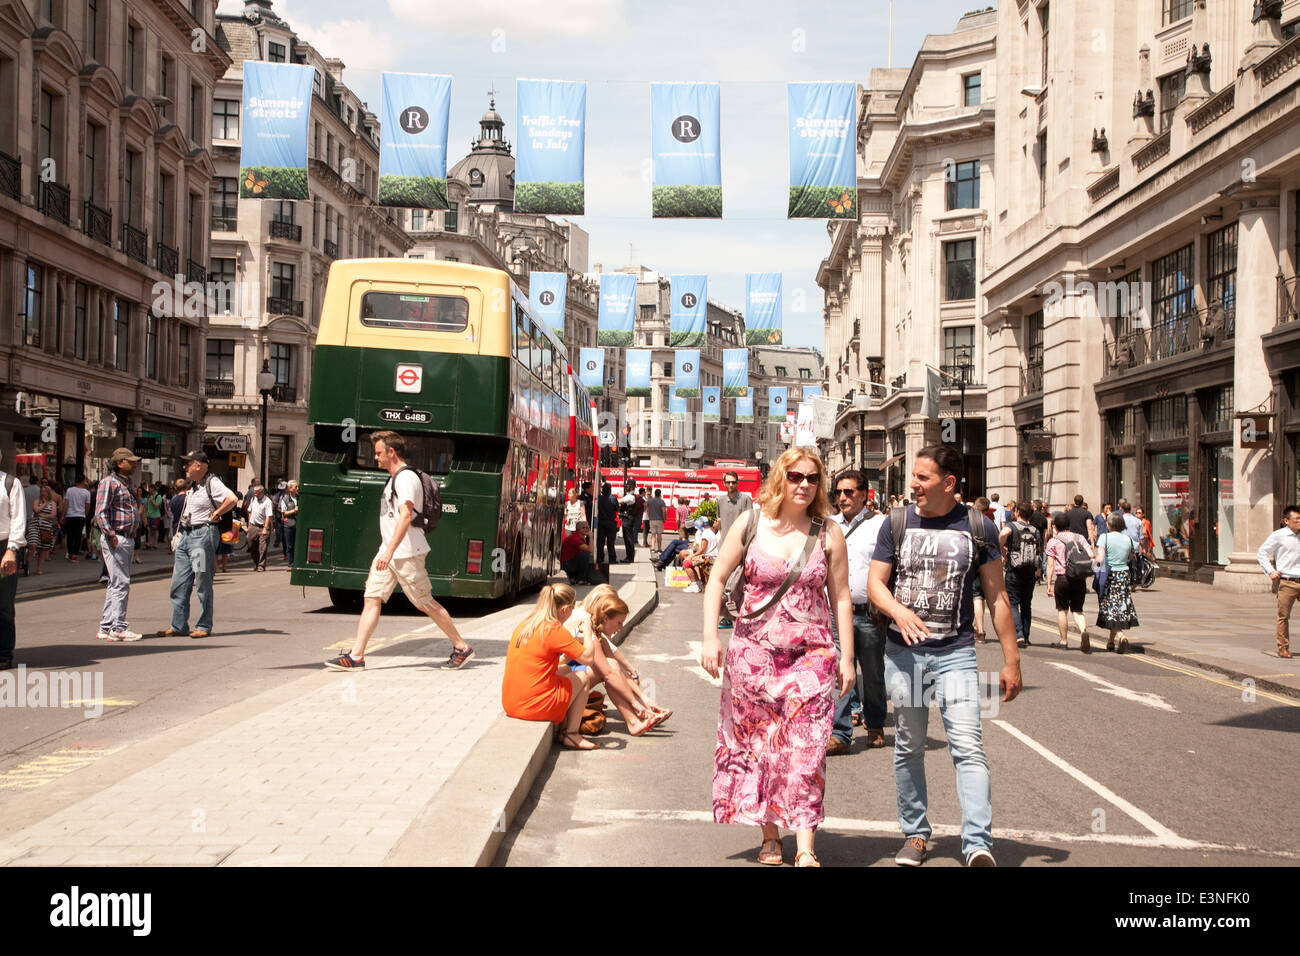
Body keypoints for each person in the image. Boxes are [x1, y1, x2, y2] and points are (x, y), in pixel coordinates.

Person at [868, 444, 1022, 868]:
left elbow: (997, 596)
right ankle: (915, 835)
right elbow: (875, 584)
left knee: (968, 746)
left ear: (949, 483)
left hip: (956, 653)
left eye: (922, 478)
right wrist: (899, 611)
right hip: (904, 653)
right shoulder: (896, 522)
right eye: (913, 477)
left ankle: (976, 844)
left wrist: (1012, 660)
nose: (912, 485)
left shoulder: (979, 527)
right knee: (910, 745)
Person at [701, 447, 855, 868]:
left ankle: (805, 843)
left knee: (807, 750)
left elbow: (841, 598)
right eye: (795, 476)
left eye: (812, 478)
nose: (804, 485)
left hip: (812, 658)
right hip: (753, 656)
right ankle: (771, 835)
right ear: (780, 479)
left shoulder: (828, 534)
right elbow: (715, 578)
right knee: (760, 748)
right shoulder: (752, 523)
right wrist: (710, 637)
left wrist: (847, 658)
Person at [324, 431, 473, 670]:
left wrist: (389, 551)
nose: (376, 458)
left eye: (379, 453)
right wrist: (386, 550)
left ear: (391, 452)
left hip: (406, 553)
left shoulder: (405, 479)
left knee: (424, 602)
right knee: (371, 598)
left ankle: (461, 647)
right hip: (390, 552)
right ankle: (356, 656)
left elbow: (405, 516)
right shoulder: (394, 478)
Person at [827, 468, 889, 756]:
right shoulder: (827, 525)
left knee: (873, 672)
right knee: (840, 668)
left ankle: (875, 724)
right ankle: (840, 732)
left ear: (864, 495)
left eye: (849, 492)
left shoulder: (881, 525)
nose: (842, 497)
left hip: (869, 612)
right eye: (838, 492)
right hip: (836, 613)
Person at [501, 583, 601, 750]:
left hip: (511, 703)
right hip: (535, 707)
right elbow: (589, 659)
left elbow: (549, 664)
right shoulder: (553, 628)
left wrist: (570, 652)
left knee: (568, 670)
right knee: (582, 675)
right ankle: (572, 734)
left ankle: (564, 728)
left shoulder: (526, 624)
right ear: (565, 609)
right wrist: (588, 631)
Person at [567, 585, 670, 734]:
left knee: (612, 667)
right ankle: (636, 718)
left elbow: (617, 668)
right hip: (560, 679)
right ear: (606, 618)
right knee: (608, 670)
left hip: (571, 675)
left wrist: (644, 699)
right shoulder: (587, 630)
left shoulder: (596, 629)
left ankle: (638, 718)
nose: (621, 628)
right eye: (619, 623)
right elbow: (608, 672)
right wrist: (636, 703)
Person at [156, 451, 237, 640]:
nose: (184, 467)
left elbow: (232, 499)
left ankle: (203, 625)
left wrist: (216, 513)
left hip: (202, 536)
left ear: (198, 466)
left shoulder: (212, 482)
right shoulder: (194, 485)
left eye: (188, 464)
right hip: (186, 535)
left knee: (202, 581)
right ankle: (178, 625)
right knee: (179, 582)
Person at [94, 448, 145, 642]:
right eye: (130, 461)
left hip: (126, 537)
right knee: (121, 582)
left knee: (115, 583)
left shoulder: (126, 482)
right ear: (119, 462)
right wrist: (110, 534)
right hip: (117, 537)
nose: (134, 464)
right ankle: (118, 627)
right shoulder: (109, 482)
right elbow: (101, 512)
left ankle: (106, 626)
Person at [1256, 505, 1300, 660]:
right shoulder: (1279, 535)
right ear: (1286, 521)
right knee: (1283, 616)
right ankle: (1283, 648)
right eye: (1297, 519)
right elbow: (1262, 552)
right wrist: (1270, 571)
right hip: (1287, 581)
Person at [1045, 511, 1090, 651]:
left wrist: (1049, 584)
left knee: (1062, 611)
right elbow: (1090, 554)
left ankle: (1064, 641)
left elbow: (1050, 565)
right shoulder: (1080, 537)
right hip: (1078, 578)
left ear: (1055, 526)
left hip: (1062, 578)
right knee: (1077, 610)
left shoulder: (1053, 541)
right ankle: (1083, 631)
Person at [1000, 501, 1042, 648]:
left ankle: (1018, 634)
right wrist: (1038, 571)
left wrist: (1002, 550)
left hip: (1014, 570)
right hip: (1030, 571)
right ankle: (1026, 635)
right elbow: (1038, 550)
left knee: (1012, 603)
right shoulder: (1035, 530)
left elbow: (1003, 534)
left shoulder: (1012, 526)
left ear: (1017, 513)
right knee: (1026, 604)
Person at [1095, 512, 1139, 653]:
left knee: (1111, 609)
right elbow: (1131, 556)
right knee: (1118, 608)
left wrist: (1091, 567)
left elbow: (1100, 559)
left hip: (1110, 576)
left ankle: (1121, 637)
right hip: (1124, 575)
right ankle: (1110, 641)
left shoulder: (1104, 537)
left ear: (1108, 524)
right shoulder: (1128, 539)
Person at [0, 450, 26, 669]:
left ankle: (4, 652)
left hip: (3, 547)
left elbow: (18, 519)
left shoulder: (10, 483)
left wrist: (12, 549)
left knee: (4, 603)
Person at [681, 518, 719, 593]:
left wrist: (691, 556)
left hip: (708, 558)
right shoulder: (710, 532)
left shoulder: (705, 534)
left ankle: (694, 584)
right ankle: (697, 583)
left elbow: (702, 549)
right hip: (712, 557)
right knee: (689, 561)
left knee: (686, 563)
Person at [28, 484, 57, 575]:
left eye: (45, 491)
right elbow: (36, 510)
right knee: (33, 544)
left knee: (43, 549)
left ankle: (39, 568)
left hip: (46, 527)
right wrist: (44, 504)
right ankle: (27, 565)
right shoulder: (37, 501)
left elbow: (52, 515)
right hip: (35, 525)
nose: (43, 493)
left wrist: (42, 515)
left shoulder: (53, 503)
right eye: (41, 491)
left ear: (48, 493)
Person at [246, 483, 274, 571]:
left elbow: (268, 516)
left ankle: (261, 565)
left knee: (262, 547)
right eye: (254, 492)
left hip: (263, 526)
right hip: (253, 526)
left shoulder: (267, 501)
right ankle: (256, 562)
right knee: (250, 544)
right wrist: (249, 525)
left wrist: (265, 528)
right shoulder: (253, 499)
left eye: (256, 492)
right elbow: (249, 511)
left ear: (262, 492)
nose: (255, 494)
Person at [63, 477, 91, 563]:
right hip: (80, 515)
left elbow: (66, 503)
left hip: (70, 515)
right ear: (83, 481)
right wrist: (85, 514)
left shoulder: (69, 490)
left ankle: (70, 552)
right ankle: (74, 554)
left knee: (70, 535)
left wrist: (63, 515)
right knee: (78, 535)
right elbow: (87, 506)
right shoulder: (86, 492)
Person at [560, 519, 595, 585]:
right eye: (583, 528)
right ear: (578, 529)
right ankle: (581, 579)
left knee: (586, 555)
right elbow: (591, 550)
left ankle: (574, 577)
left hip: (571, 562)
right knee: (586, 555)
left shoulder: (580, 537)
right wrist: (590, 537)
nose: (586, 529)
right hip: (568, 564)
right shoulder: (575, 538)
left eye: (587, 527)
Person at [595, 482, 620, 567]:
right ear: (610, 490)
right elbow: (616, 508)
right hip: (611, 522)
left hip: (601, 522)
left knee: (600, 542)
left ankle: (600, 558)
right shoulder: (613, 498)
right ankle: (612, 559)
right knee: (611, 542)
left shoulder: (599, 498)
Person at [617, 484, 640, 562]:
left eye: (627, 486)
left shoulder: (630, 496)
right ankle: (629, 557)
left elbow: (619, 501)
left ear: (631, 487)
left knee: (628, 539)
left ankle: (629, 558)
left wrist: (618, 497)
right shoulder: (631, 496)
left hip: (628, 519)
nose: (626, 488)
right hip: (628, 518)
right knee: (628, 538)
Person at [280, 480, 299, 565]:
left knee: (298, 545)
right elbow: (284, 513)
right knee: (290, 545)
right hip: (289, 525)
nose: (298, 488)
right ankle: (291, 563)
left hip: (298, 525)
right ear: (290, 489)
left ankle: (298, 562)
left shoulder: (300, 498)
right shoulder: (285, 499)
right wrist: (294, 510)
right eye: (296, 487)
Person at [646, 489, 667, 553]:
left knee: (653, 534)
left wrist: (650, 516)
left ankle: (652, 548)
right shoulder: (662, 501)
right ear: (660, 494)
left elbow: (648, 510)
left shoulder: (650, 501)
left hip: (652, 519)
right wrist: (664, 519)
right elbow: (663, 511)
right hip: (659, 519)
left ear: (654, 494)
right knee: (659, 534)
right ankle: (659, 548)